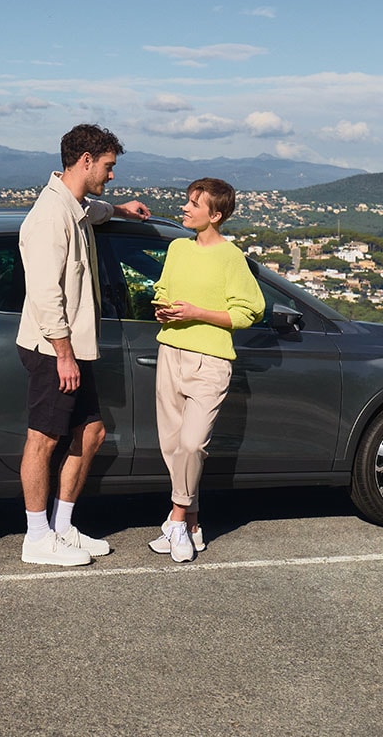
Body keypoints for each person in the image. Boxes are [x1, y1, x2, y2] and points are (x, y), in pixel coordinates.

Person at [16, 124, 151, 566]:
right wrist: (64, 354)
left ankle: (63, 527)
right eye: (109, 167)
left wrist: (122, 211)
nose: (112, 175)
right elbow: (45, 294)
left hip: (71, 348)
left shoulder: (74, 206)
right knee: (43, 439)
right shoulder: (48, 219)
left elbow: (93, 210)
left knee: (91, 433)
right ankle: (36, 539)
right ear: (86, 160)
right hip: (52, 349)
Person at [149, 178, 264, 562]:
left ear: (215, 215)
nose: (185, 208)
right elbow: (163, 290)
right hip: (170, 353)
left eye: (193, 204)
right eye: (187, 201)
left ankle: (177, 520)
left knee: (192, 444)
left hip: (210, 362)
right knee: (172, 447)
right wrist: (162, 308)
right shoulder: (178, 248)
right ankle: (194, 522)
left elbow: (249, 311)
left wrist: (197, 313)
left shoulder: (232, 258)